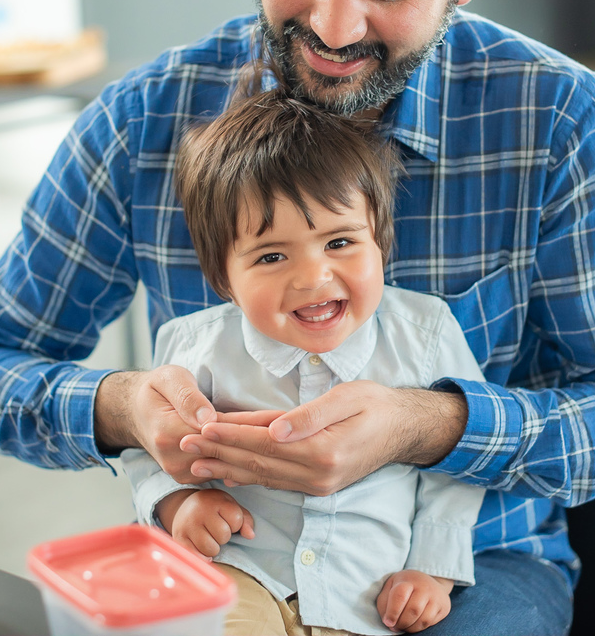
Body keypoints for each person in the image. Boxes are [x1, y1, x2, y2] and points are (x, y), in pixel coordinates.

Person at [0, 0, 595, 633]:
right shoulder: (142, 124)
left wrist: (428, 426)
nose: (333, 27)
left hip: (470, 571)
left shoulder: (558, 123)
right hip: (226, 565)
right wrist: (120, 405)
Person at [122, 89, 486, 635]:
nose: (314, 278)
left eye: (339, 242)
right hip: (238, 569)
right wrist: (178, 503)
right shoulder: (194, 346)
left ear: (380, 242)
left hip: (366, 592)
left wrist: (433, 571)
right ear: (224, 277)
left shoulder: (426, 334)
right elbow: (150, 446)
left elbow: (456, 469)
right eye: (271, 256)